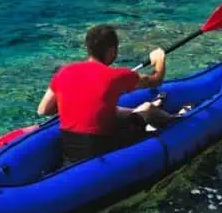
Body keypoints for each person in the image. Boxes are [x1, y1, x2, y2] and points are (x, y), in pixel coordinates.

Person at [36, 24, 177, 164]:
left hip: (69, 148)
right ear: (111, 51)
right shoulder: (117, 75)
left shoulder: (64, 72)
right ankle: (175, 120)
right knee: (147, 108)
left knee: (116, 111)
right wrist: (159, 59)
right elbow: (156, 80)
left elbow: (43, 110)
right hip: (103, 148)